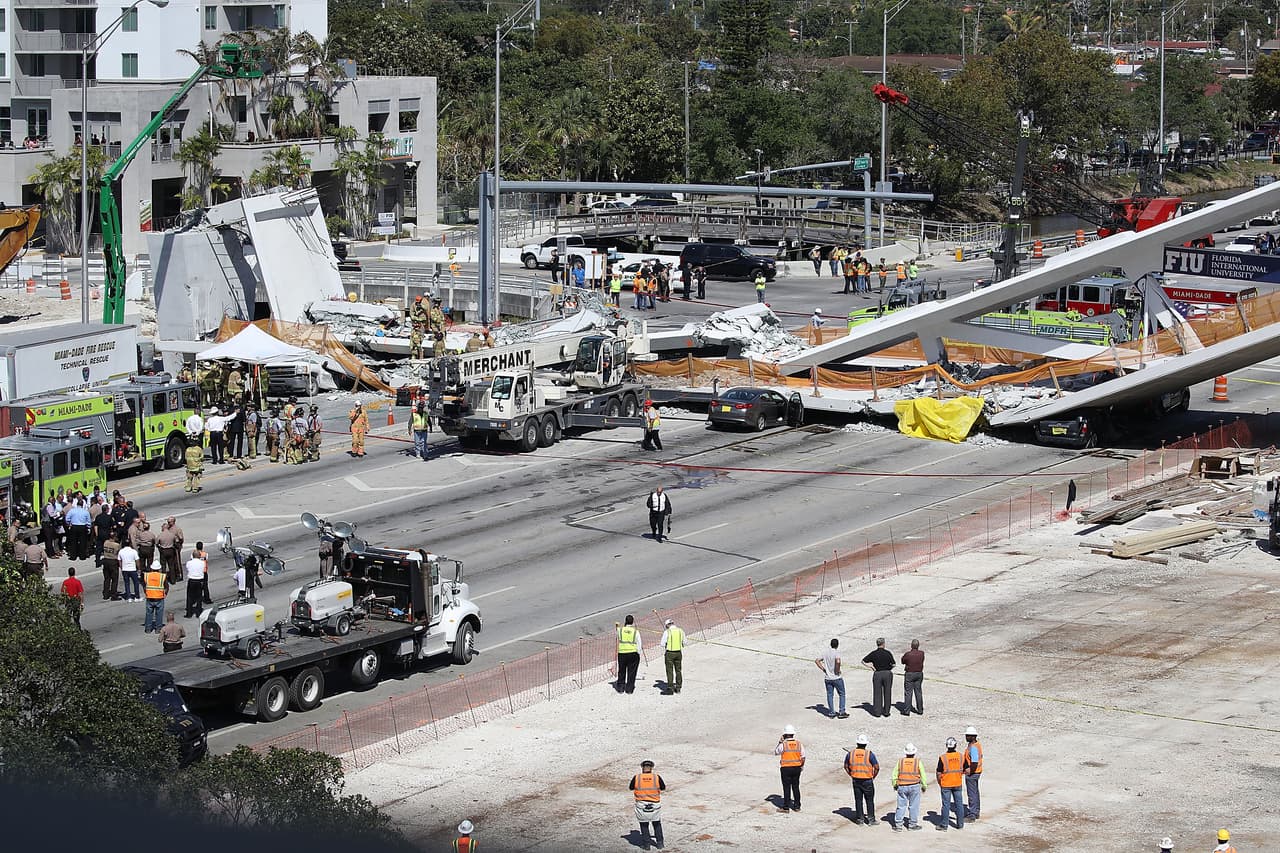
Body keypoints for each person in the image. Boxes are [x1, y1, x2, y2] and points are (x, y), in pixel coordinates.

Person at [629, 760, 667, 850]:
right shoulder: (656, 777)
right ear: (651, 768)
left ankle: (646, 845)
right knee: (657, 823)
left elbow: (631, 787)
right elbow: (663, 787)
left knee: (644, 824)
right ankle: (660, 843)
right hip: (654, 804)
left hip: (641, 804)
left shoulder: (637, 777)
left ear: (642, 767)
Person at [844, 733, 879, 826]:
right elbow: (876, 767)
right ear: (865, 744)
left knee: (858, 800)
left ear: (857, 743)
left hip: (856, 779)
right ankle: (871, 820)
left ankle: (860, 819)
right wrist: (873, 776)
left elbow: (846, 766)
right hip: (867, 780)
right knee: (869, 800)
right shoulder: (869, 754)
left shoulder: (851, 754)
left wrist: (851, 774)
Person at [892, 743, 926, 831]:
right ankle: (912, 825)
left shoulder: (900, 761)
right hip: (914, 786)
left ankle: (898, 825)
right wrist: (924, 785)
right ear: (914, 753)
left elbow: (894, 774)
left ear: (906, 753)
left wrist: (895, 784)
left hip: (902, 786)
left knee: (901, 806)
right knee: (913, 806)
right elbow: (923, 774)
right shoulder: (917, 762)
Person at [936, 737, 965, 830]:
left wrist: (939, 782)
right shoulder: (961, 756)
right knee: (959, 804)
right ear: (955, 745)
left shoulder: (943, 757)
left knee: (946, 805)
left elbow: (939, 772)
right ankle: (960, 824)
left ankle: (944, 825)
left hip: (946, 784)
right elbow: (967, 769)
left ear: (946, 746)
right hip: (957, 783)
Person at [862, 637, 895, 717]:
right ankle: (886, 711)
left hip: (877, 674)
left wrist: (871, 667)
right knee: (887, 692)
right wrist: (889, 668)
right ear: (883, 644)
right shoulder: (888, 653)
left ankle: (877, 712)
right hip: (887, 673)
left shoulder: (873, 653)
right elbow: (893, 664)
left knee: (877, 693)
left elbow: (863, 661)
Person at [774, 724, 805, 812]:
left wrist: (780, 742)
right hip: (796, 768)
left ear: (785, 734)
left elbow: (776, 752)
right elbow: (803, 756)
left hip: (786, 769)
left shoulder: (783, 744)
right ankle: (797, 806)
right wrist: (801, 766)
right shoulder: (799, 744)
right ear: (793, 734)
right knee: (796, 787)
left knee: (786, 787)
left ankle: (786, 807)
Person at [815, 638, 847, 718]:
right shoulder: (836, 653)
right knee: (842, 694)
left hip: (827, 678)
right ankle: (841, 711)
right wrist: (837, 670)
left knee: (830, 695)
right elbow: (838, 662)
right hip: (836, 677)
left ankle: (832, 712)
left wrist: (824, 669)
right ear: (837, 645)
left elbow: (817, 661)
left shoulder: (825, 653)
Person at [615, 614, 641, 694]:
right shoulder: (635, 632)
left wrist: (617, 627)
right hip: (633, 653)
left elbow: (617, 635)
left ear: (625, 621)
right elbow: (639, 643)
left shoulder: (620, 630)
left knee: (621, 670)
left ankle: (620, 688)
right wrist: (638, 653)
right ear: (632, 622)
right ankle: (629, 689)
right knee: (632, 671)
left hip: (622, 653)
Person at [143, 558, 169, 633]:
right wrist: (165, 594)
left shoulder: (147, 576)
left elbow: (144, 586)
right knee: (159, 614)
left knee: (149, 614)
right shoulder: (162, 576)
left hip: (150, 598)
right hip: (159, 598)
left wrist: (146, 592)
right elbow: (167, 587)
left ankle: (148, 629)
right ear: (159, 569)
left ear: (152, 568)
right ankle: (158, 629)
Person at [963, 725, 983, 821]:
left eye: (967, 736)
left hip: (973, 773)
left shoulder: (974, 748)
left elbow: (974, 762)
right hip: (976, 772)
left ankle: (972, 815)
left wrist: (969, 771)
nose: (966, 737)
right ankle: (976, 811)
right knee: (975, 793)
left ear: (972, 736)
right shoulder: (976, 745)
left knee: (972, 794)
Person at [660, 618, 684, 695]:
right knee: (678, 670)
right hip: (678, 653)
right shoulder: (680, 631)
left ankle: (670, 688)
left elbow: (662, 644)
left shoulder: (667, 632)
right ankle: (678, 687)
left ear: (667, 625)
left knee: (669, 671)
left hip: (670, 653)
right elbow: (685, 642)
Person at [157, 517, 184, 583]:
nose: (168, 523)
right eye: (168, 522)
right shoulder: (169, 529)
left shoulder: (177, 529)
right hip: (171, 547)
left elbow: (181, 538)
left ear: (173, 522)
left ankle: (179, 575)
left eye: (169, 522)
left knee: (177, 561)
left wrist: (178, 544)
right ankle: (173, 575)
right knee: (173, 562)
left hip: (175, 546)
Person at [901, 638, 924, 716]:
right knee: (918, 692)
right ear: (918, 646)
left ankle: (907, 711)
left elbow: (903, 661)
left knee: (908, 692)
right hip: (919, 673)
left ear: (911, 646)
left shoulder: (908, 654)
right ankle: (920, 709)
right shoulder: (921, 653)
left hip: (910, 674)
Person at [184, 548, 208, 618]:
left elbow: (188, 568)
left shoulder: (189, 563)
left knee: (189, 597)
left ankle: (189, 613)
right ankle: (198, 612)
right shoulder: (202, 563)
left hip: (191, 580)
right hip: (199, 581)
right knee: (199, 597)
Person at [100, 531, 121, 600]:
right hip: (113, 562)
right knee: (114, 580)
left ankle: (106, 594)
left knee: (107, 579)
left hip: (106, 561)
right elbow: (119, 553)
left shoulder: (105, 542)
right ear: (114, 537)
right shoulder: (116, 545)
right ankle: (113, 595)